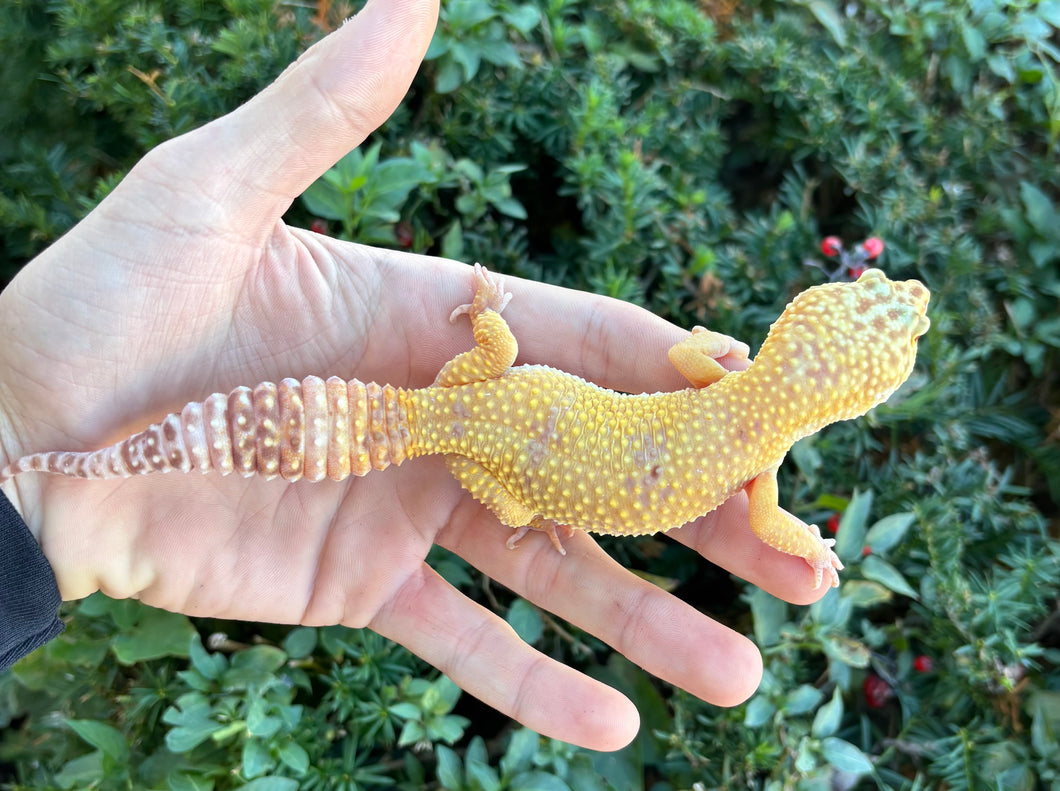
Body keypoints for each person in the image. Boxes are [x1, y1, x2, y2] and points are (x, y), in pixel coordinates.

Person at [0, 0, 828, 751]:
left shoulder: (725, 380)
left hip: (472, 393)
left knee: (500, 392)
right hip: (475, 450)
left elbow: (684, 355)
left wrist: (493, 315)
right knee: (513, 501)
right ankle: (52, 468)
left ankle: (54, 468)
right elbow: (777, 529)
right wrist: (531, 513)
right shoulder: (761, 467)